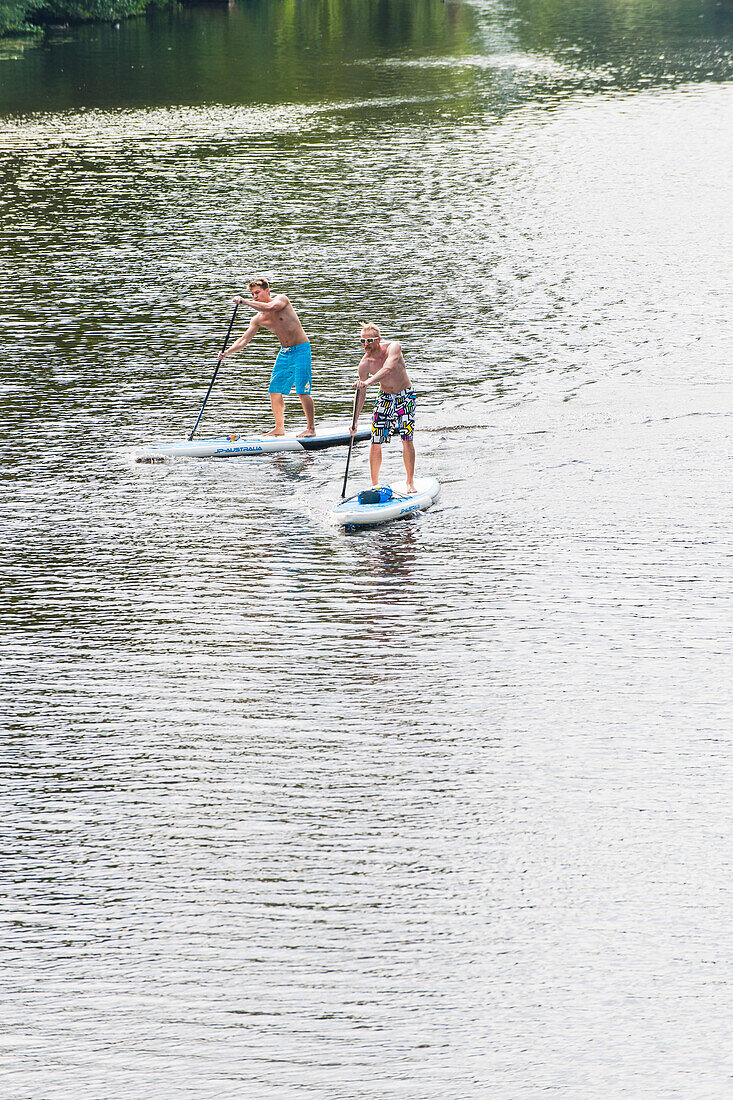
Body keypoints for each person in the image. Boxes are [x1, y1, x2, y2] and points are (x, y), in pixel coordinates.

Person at [218, 277, 315, 437]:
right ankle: (279, 429)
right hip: (284, 353)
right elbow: (243, 340)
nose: (254, 296)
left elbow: (270, 307)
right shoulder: (258, 319)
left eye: (257, 292)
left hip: (301, 350)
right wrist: (227, 352)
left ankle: (311, 428)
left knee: (302, 390)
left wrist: (245, 302)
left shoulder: (281, 300)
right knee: (274, 389)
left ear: (267, 291)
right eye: (252, 294)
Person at [351, 322, 416, 493]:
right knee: (375, 441)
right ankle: (374, 485)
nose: (366, 345)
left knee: (406, 438)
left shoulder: (393, 347)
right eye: (362, 341)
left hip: (405, 395)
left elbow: (388, 369)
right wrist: (355, 422)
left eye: (370, 341)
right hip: (385, 398)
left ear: (378, 340)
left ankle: (410, 482)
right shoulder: (364, 364)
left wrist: (367, 382)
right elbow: (361, 394)